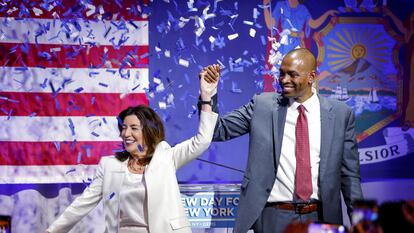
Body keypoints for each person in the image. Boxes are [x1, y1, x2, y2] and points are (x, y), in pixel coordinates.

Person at [199, 48, 363, 233]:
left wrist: (366, 225)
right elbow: (217, 131)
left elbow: (350, 177)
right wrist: (207, 96)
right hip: (273, 218)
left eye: (292, 75)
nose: (284, 80)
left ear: (311, 77)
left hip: (321, 217)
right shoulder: (262, 106)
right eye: (282, 74)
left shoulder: (341, 114)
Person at [46, 74, 219, 233]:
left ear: (149, 131)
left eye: (134, 128)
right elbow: (82, 204)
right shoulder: (109, 165)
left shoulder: (166, 156)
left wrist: (206, 98)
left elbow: (202, 141)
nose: (126, 134)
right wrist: (52, 231)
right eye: (123, 128)